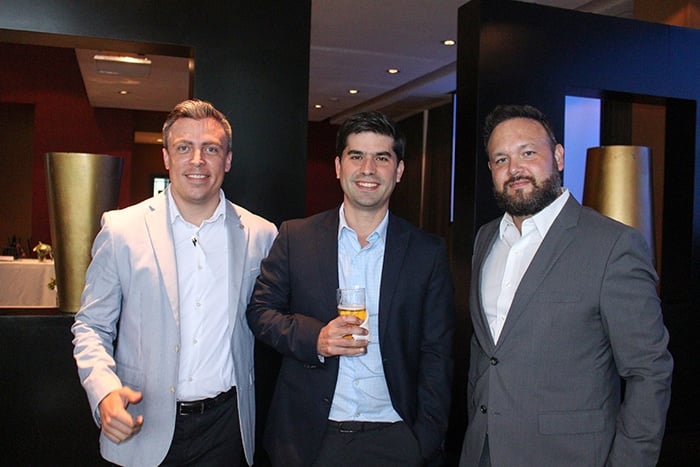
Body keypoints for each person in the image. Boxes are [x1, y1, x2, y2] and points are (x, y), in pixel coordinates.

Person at [459, 104, 673, 466]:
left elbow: (649, 372)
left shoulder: (613, 245)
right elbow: (487, 355)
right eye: (501, 159)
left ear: (558, 156)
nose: (515, 169)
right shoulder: (486, 239)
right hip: (482, 452)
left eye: (528, 153)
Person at [72, 99, 277, 466]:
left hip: (226, 430)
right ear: (166, 157)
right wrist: (104, 392)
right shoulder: (121, 230)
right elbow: (91, 325)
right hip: (142, 423)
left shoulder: (260, 235)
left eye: (210, 149)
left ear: (227, 160)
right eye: (184, 148)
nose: (197, 161)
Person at [247, 111, 455, 466]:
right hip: (310, 439)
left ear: (399, 170)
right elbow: (260, 312)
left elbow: (438, 352)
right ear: (338, 167)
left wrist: (425, 440)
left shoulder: (427, 252)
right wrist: (316, 339)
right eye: (356, 156)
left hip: (396, 437)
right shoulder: (296, 237)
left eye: (382, 158)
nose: (368, 169)